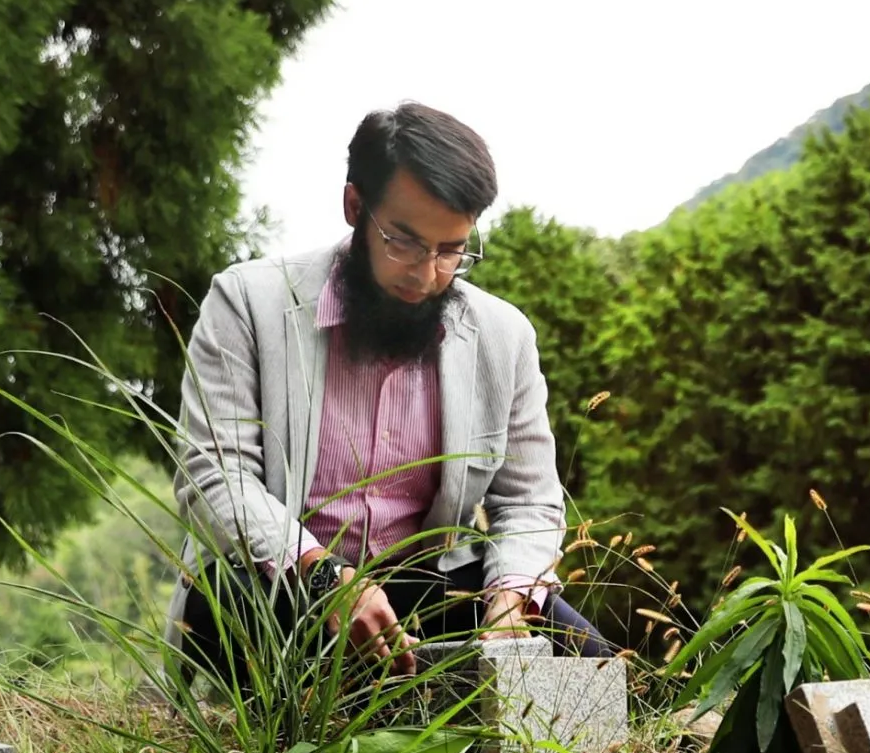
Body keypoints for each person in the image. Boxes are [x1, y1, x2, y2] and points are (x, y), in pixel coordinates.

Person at [170, 100, 609, 680]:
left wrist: (509, 598)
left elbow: (529, 501)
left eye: (452, 250)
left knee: (593, 671)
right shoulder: (247, 303)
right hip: (279, 582)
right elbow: (214, 478)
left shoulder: (504, 336)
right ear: (356, 206)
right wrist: (324, 575)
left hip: (426, 586)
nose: (426, 275)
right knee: (272, 645)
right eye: (403, 242)